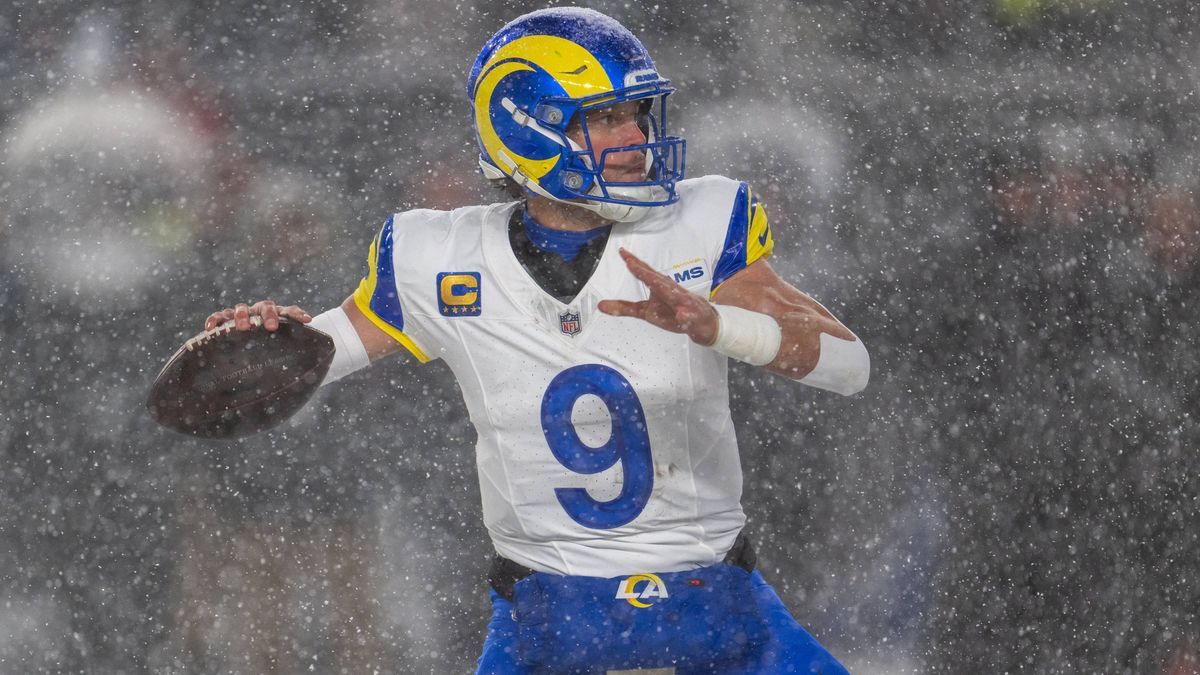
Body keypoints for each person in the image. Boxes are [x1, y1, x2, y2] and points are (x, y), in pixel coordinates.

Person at [204, 8, 869, 673]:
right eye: (607, 118)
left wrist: (717, 325)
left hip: (716, 600)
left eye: (638, 114)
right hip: (548, 617)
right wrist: (266, 339)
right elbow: (320, 353)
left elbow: (848, 365)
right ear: (530, 129)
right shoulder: (439, 255)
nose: (636, 136)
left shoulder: (700, 222)